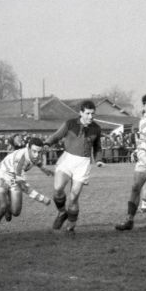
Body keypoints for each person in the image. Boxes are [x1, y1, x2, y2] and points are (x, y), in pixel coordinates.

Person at [43, 100, 103, 234]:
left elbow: (97, 147)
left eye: (92, 114)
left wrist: (98, 160)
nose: (90, 116)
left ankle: (71, 225)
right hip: (67, 159)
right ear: (81, 113)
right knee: (58, 189)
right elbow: (56, 136)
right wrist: (47, 143)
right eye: (87, 113)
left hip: (83, 163)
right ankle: (62, 212)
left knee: (74, 196)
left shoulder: (96, 128)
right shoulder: (70, 123)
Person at [0, 138, 53, 239]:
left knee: (16, 212)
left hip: (15, 178)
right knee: (2, 206)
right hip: (2, 176)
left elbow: (37, 160)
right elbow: (24, 187)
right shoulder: (20, 159)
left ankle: (8, 207)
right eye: (34, 151)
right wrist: (42, 198)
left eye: (39, 152)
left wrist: (44, 169)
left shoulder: (38, 151)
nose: (36, 155)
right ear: (28, 148)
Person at [115, 94, 146, 231]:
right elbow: (142, 139)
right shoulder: (142, 122)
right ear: (144, 107)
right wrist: (138, 151)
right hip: (145, 158)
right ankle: (129, 220)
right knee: (135, 187)